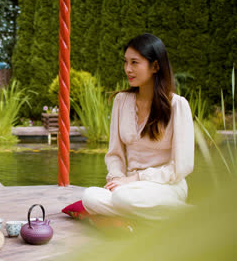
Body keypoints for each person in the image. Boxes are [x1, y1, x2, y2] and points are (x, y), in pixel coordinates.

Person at [80, 33, 194, 221]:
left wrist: (135, 180)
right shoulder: (121, 101)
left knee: (123, 198)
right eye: (125, 62)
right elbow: (114, 154)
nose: (127, 69)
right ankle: (163, 217)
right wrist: (117, 178)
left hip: (167, 185)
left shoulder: (177, 105)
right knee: (90, 197)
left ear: (155, 66)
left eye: (134, 63)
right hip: (129, 188)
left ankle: (181, 215)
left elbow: (182, 167)